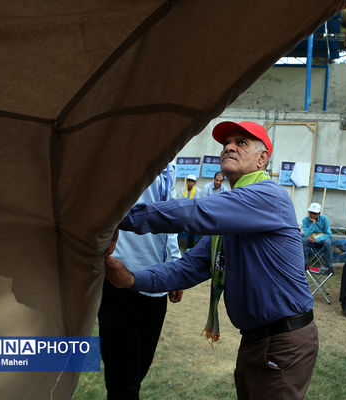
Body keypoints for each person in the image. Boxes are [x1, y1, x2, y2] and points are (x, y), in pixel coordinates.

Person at [105, 120, 318, 400]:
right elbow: (190, 266)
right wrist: (132, 279)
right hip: (260, 341)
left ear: (262, 159)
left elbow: (196, 212)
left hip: (281, 341)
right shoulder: (234, 212)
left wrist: (115, 218)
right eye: (225, 143)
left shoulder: (268, 196)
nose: (228, 147)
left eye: (240, 142)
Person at [98, 164, 184, 400]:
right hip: (120, 278)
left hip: (155, 283)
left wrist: (174, 265)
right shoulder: (129, 144)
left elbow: (171, 216)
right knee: (123, 384)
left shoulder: (171, 159)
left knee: (137, 373)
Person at [301, 202, 334, 275]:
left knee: (328, 242)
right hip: (310, 240)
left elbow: (328, 234)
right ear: (308, 212)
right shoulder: (305, 220)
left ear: (319, 213)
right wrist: (313, 224)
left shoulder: (324, 219)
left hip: (322, 240)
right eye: (311, 212)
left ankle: (329, 267)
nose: (312, 215)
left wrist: (317, 239)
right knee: (303, 240)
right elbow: (306, 234)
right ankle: (304, 265)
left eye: (314, 213)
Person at [179, 174, 199, 249]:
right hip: (183, 213)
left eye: (192, 181)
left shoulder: (198, 191)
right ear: (186, 182)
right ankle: (179, 245)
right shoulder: (182, 190)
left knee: (193, 226)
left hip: (193, 213)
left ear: (195, 183)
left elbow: (198, 203)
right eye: (189, 181)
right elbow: (180, 202)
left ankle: (189, 246)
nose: (190, 183)